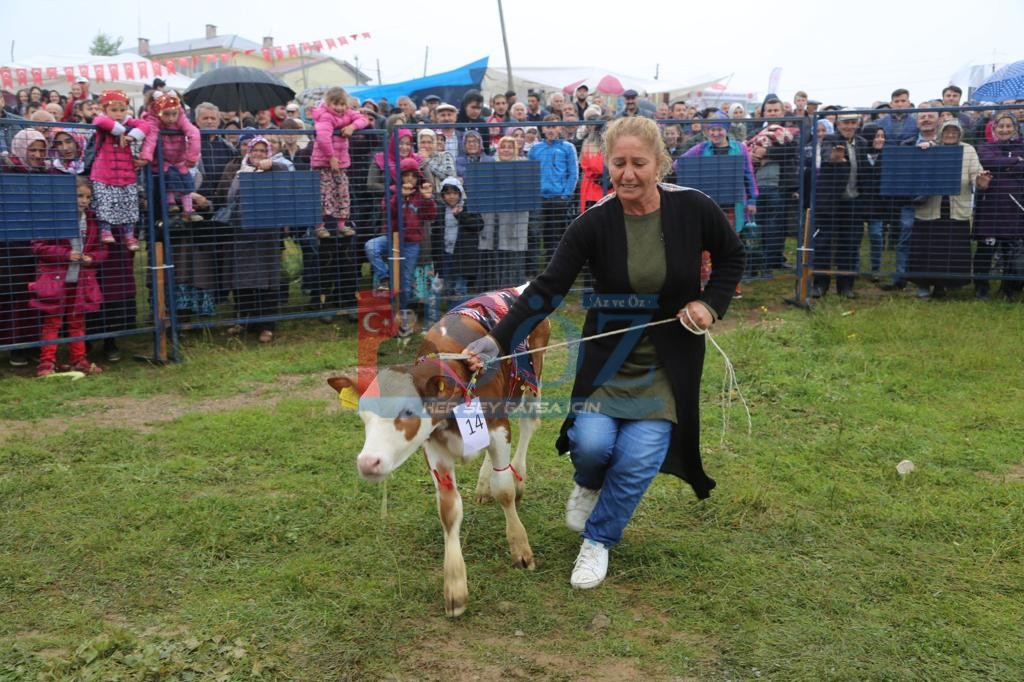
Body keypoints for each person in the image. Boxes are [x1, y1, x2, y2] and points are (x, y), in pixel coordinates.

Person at [463, 116, 744, 590]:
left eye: (639, 163)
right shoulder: (593, 223)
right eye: (619, 163)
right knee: (591, 446)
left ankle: (598, 541)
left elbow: (732, 256)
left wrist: (709, 303)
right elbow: (548, 289)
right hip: (609, 362)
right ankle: (588, 483)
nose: (628, 173)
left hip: (668, 362)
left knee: (638, 459)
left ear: (660, 163)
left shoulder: (694, 208)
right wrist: (497, 340)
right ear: (606, 166)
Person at [30, 176, 107, 376]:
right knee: (53, 320)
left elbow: (102, 250)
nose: (84, 201)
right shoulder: (53, 217)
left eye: (88, 197)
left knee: (77, 320)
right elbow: (39, 246)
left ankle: (79, 359)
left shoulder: (92, 220)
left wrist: (92, 258)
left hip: (82, 279)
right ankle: (46, 362)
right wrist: (65, 255)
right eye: (79, 196)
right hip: (56, 277)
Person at [219, 136, 294, 343]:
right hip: (242, 233)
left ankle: (267, 325)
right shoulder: (240, 172)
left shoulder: (276, 170)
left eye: (263, 151)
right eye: (255, 151)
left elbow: (287, 180)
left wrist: (273, 166)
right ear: (248, 152)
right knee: (242, 279)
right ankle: (243, 320)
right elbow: (230, 198)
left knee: (266, 281)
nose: (258, 154)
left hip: (266, 235)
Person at [906, 119, 986, 298]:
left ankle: (942, 286)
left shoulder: (968, 150)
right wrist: (923, 150)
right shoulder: (929, 147)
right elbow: (916, 171)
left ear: (960, 134)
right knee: (926, 249)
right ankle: (923, 285)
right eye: (947, 132)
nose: (950, 135)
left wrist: (980, 180)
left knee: (949, 250)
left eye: (954, 132)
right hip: (930, 208)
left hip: (956, 208)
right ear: (941, 133)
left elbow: (976, 174)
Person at [364, 157, 437, 308]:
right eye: (405, 175)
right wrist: (400, 196)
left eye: (413, 175)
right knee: (371, 246)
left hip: (411, 244)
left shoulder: (420, 194)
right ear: (399, 176)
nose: (409, 178)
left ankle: (401, 312)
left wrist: (428, 200)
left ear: (417, 177)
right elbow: (388, 211)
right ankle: (385, 278)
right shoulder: (391, 191)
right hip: (391, 238)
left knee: (404, 280)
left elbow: (429, 216)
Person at [813, 110, 868, 298]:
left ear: (858, 124)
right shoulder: (829, 139)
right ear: (838, 124)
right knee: (824, 243)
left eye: (853, 122)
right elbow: (829, 155)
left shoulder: (862, 143)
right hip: (830, 202)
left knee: (850, 244)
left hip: (854, 201)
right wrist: (836, 157)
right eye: (845, 123)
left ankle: (846, 286)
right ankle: (820, 284)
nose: (849, 126)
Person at [973, 111, 1023, 300]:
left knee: (1011, 249)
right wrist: (1015, 161)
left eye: (1009, 126)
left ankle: (1008, 288)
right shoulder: (985, 146)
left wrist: (1003, 166)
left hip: (1014, 207)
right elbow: (987, 161)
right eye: (1001, 126)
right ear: (994, 129)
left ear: (1015, 129)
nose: (1005, 129)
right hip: (990, 206)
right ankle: (981, 287)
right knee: (985, 250)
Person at [91, 90, 147, 250]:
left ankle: (129, 236)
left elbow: (145, 125)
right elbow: (99, 120)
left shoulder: (130, 123)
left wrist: (132, 136)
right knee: (105, 202)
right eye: (114, 110)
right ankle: (106, 231)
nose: (119, 114)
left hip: (126, 175)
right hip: (104, 174)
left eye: (122, 110)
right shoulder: (104, 121)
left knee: (129, 204)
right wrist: (121, 130)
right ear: (106, 110)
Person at [310, 87, 367, 240]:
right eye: (336, 104)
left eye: (342, 104)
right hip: (323, 163)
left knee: (342, 193)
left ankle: (342, 225)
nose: (340, 107)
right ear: (328, 103)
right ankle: (319, 226)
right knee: (323, 194)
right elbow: (323, 138)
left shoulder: (347, 113)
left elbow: (363, 119)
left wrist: (352, 126)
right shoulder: (325, 116)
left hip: (340, 164)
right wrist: (331, 157)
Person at [139, 92, 201, 220]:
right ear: (158, 112)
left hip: (180, 159)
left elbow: (194, 133)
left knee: (186, 184)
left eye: (174, 114)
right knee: (168, 181)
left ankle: (188, 210)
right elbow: (150, 139)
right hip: (164, 160)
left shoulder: (182, 118)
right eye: (166, 114)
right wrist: (146, 156)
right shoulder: (153, 120)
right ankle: (171, 203)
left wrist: (192, 157)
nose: (171, 118)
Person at [528, 115, 579, 271]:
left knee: (555, 236)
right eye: (548, 127)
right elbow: (529, 172)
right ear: (542, 129)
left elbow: (573, 173)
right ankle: (534, 271)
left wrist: (565, 195)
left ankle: (553, 269)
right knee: (535, 235)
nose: (550, 130)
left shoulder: (568, 147)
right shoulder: (535, 149)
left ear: (559, 128)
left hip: (558, 199)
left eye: (554, 127)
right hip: (538, 198)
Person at [436, 177, 483, 298]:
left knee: (460, 289)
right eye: (447, 193)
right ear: (442, 195)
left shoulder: (467, 207)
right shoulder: (441, 210)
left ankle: (460, 314)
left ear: (460, 193)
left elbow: (478, 225)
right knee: (449, 287)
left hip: (463, 256)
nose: (451, 196)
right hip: (447, 254)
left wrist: (460, 215)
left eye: (455, 193)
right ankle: (451, 313)